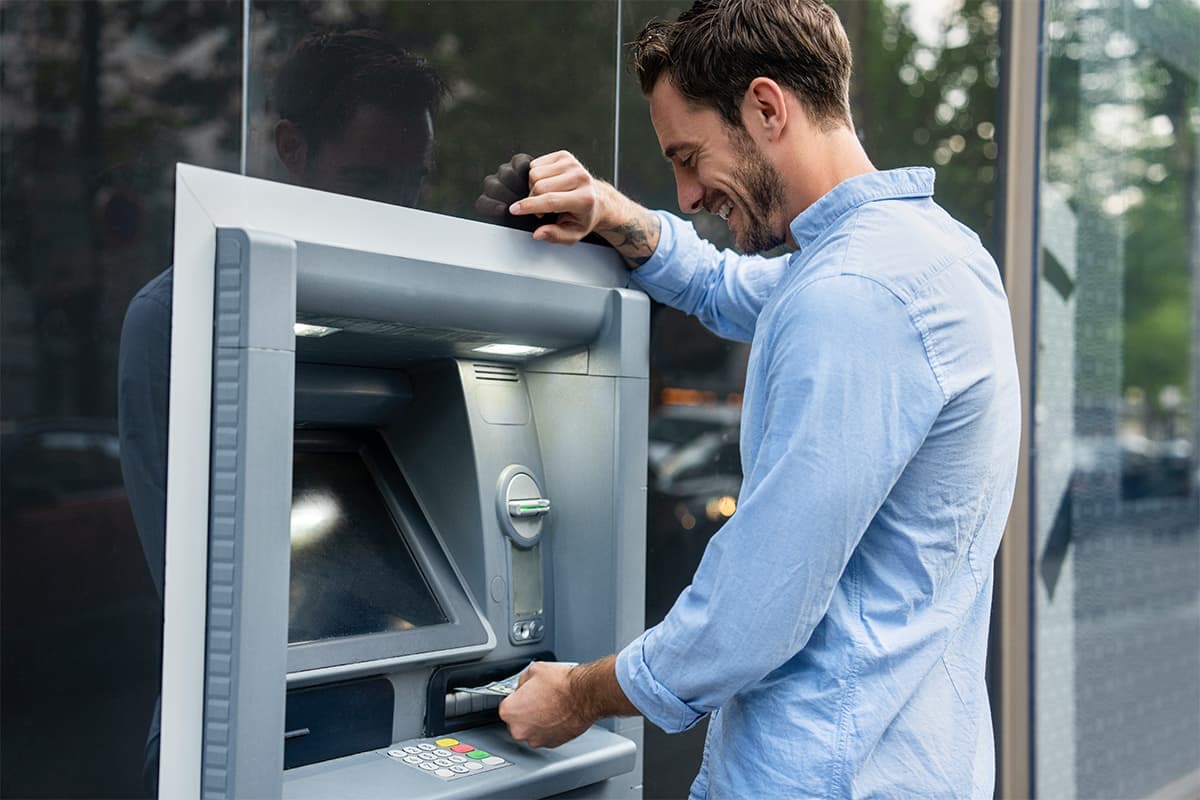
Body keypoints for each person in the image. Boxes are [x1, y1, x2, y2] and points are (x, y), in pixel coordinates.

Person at [484, 2, 1021, 797]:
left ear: (767, 108)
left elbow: (750, 611)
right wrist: (618, 216)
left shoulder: (853, 294)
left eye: (690, 156)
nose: (689, 191)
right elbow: (734, 287)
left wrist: (578, 695)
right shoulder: (929, 256)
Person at [116, 29, 443, 796]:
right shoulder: (179, 318)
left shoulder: (416, 310)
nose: (395, 213)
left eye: (414, 184)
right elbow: (196, 578)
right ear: (290, 148)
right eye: (366, 182)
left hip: (391, 700)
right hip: (242, 720)